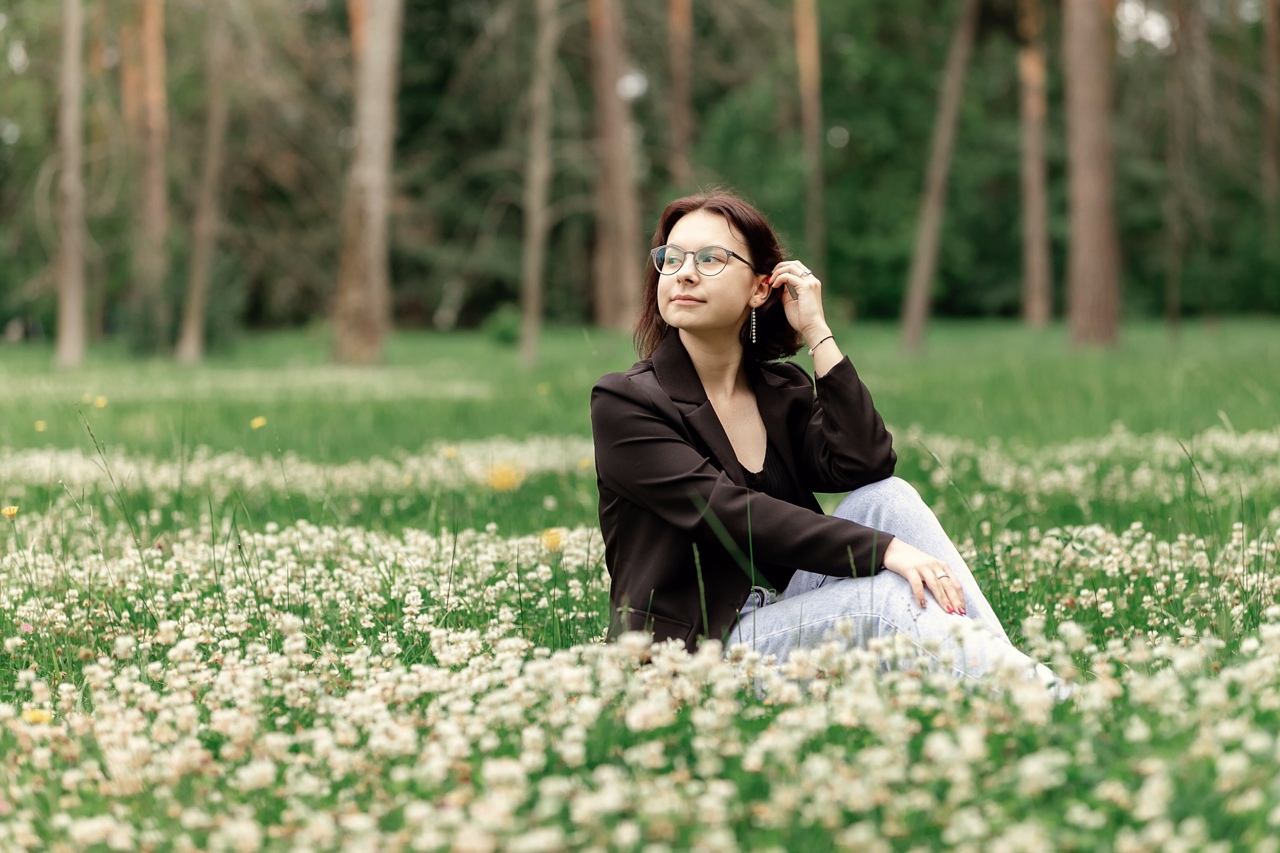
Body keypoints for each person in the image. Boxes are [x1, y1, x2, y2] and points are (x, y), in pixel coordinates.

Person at [590, 190, 1063, 691]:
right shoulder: (626, 402)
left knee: (890, 498)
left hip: (787, 609)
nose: (684, 273)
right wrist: (884, 552)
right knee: (884, 599)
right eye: (672, 258)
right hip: (695, 651)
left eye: (711, 259)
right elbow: (730, 512)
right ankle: (1051, 700)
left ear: (760, 288)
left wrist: (818, 331)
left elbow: (867, 463)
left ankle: (1019, 687)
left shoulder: (779, 390)